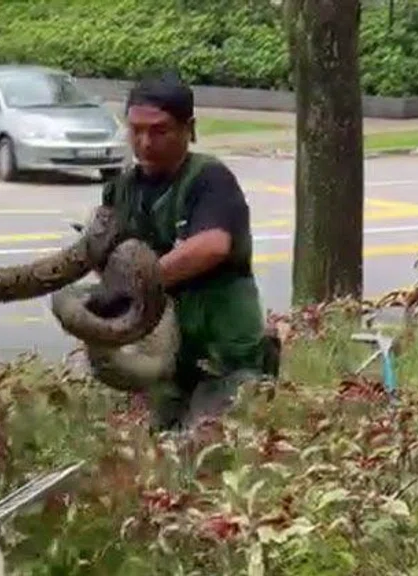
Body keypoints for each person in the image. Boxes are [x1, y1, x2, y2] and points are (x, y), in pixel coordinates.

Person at [88, 71, 270, 432]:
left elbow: (212, 246)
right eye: (135, 130)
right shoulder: (120, 190)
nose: (145, 142)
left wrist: (137, 281)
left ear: (189, 129)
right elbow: (106, 259)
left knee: (208, 450)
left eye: (159, 130)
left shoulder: (210, 179)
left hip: (225, 359)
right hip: (166, 362)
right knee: (158, 454)